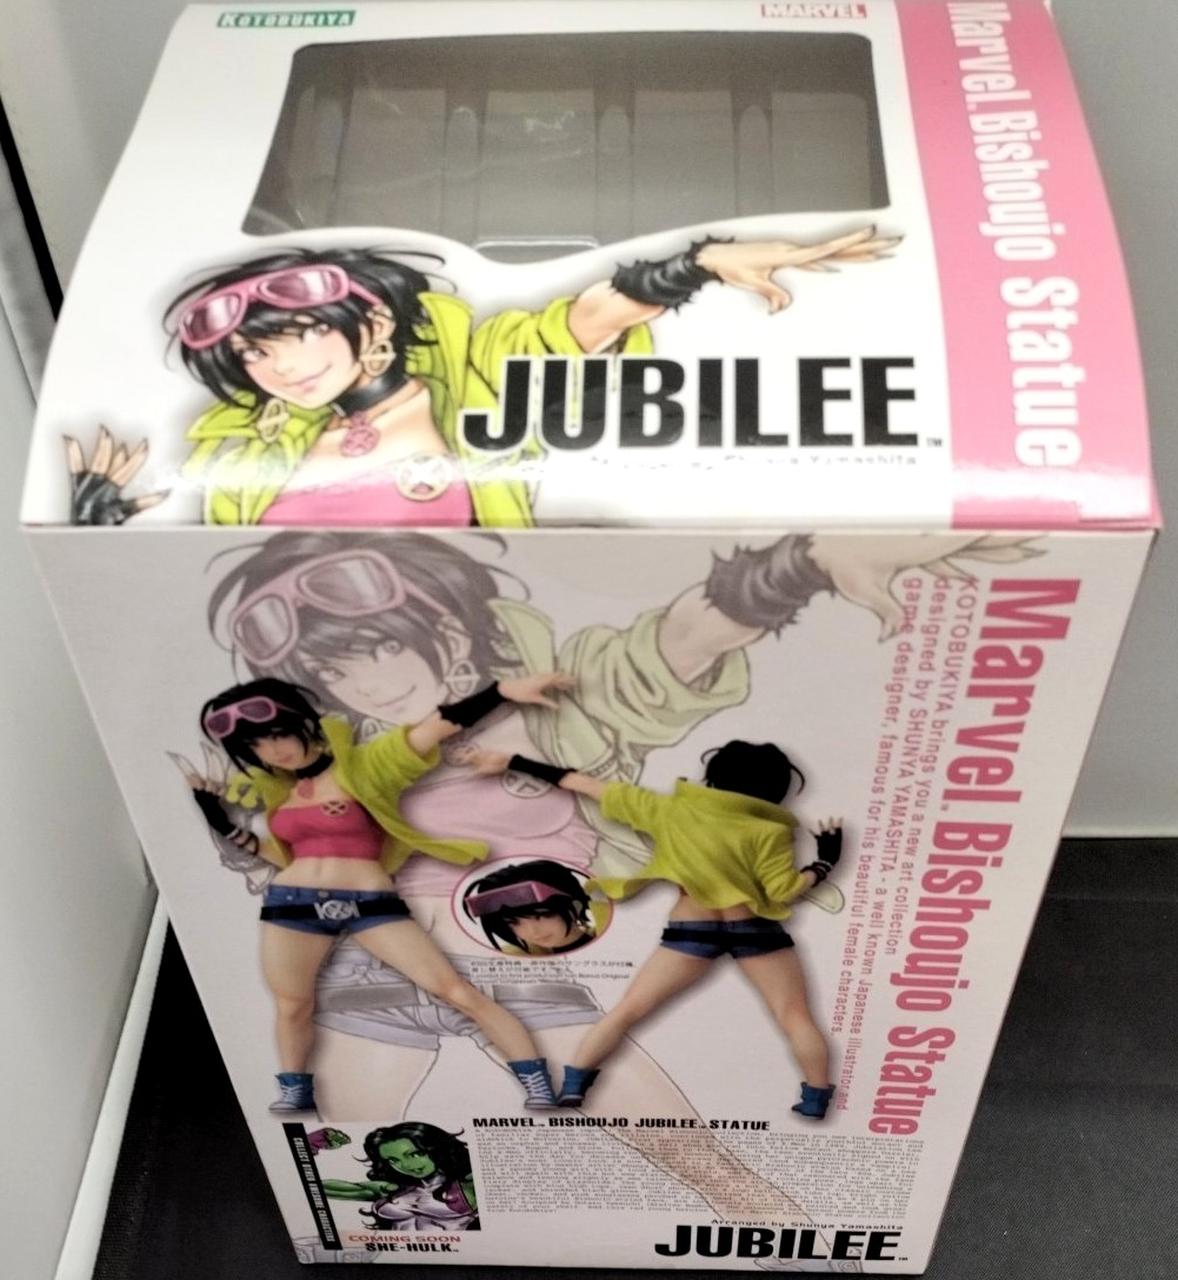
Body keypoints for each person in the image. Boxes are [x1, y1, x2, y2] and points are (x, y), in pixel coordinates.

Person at [64, 229, 899, 526]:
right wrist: (98, 531)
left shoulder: (476, 378)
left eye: (304, 334)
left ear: (374, 323)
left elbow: (584, 322)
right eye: (253, 354)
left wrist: (700, 261)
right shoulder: (245, 443)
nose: (279, 366)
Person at [181, 671, 574, 1112]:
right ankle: (296, 1090)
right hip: (292, 904)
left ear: (303, 722)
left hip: (370, 903)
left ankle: (537, 1082)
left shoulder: (364, 767)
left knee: (454, 991)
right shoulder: (283, 793)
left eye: (278, 734)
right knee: (292, 1005)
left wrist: (499, 692)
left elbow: (432, 729)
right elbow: (280, 856)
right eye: (256, 745)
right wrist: (217, 818)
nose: (273, 750)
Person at [461, 739, 844, 1118]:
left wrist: (510, 760)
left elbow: (583, 784)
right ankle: (815, 1098)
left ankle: (574, 1085)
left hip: (692, 926)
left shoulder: (669, 810)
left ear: (714, 775)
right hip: (754, 927)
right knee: (794, 1014)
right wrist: (824, 863)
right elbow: (783, 891)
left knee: (629, 1010)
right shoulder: (770, 830)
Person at [314, 1123, 478, 1232]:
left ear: (436, 1149)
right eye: (393, 1160)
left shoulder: (467, 1185)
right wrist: (311, 1144)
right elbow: (315, 1187)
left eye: (415, 1154)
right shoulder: (393, 1188)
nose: (405, 1165)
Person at [462, 859, 605, 956]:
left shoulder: (609, 938)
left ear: (576, 905)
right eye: (513, 922)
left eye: (542, 915)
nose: (533, 931)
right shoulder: (518, 959)